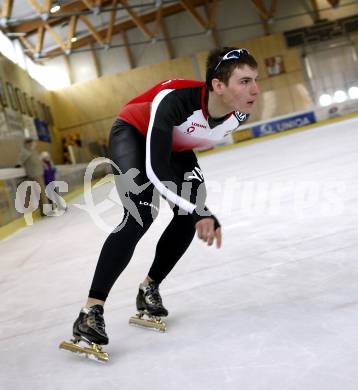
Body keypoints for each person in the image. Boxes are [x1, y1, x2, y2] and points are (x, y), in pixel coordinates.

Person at [69, 47, 260, 349]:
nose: (255, 89)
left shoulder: (239, 114)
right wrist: (200, 208)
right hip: (134, 132)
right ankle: (90, 311)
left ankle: (149, 288)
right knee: (140, 216)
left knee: (187, 218)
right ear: (218, 85)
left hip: (176, 147)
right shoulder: (174, 100)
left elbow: (183, 147)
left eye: (255, 80)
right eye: (245, 81)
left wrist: (196, 208)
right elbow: (157, 167)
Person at [16, 138, 48, 216]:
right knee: (41, 193)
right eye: (30, 143)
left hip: (39, 173)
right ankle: (46, 211)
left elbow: (37, 160)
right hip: (34, 174)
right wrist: (18, 166)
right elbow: (19, 162)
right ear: (26, 144)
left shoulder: (33, 151)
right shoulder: (25, 152)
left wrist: (43, 165)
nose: (32, 145)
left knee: (42, 193)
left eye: (32, 143)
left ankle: (45, 211)